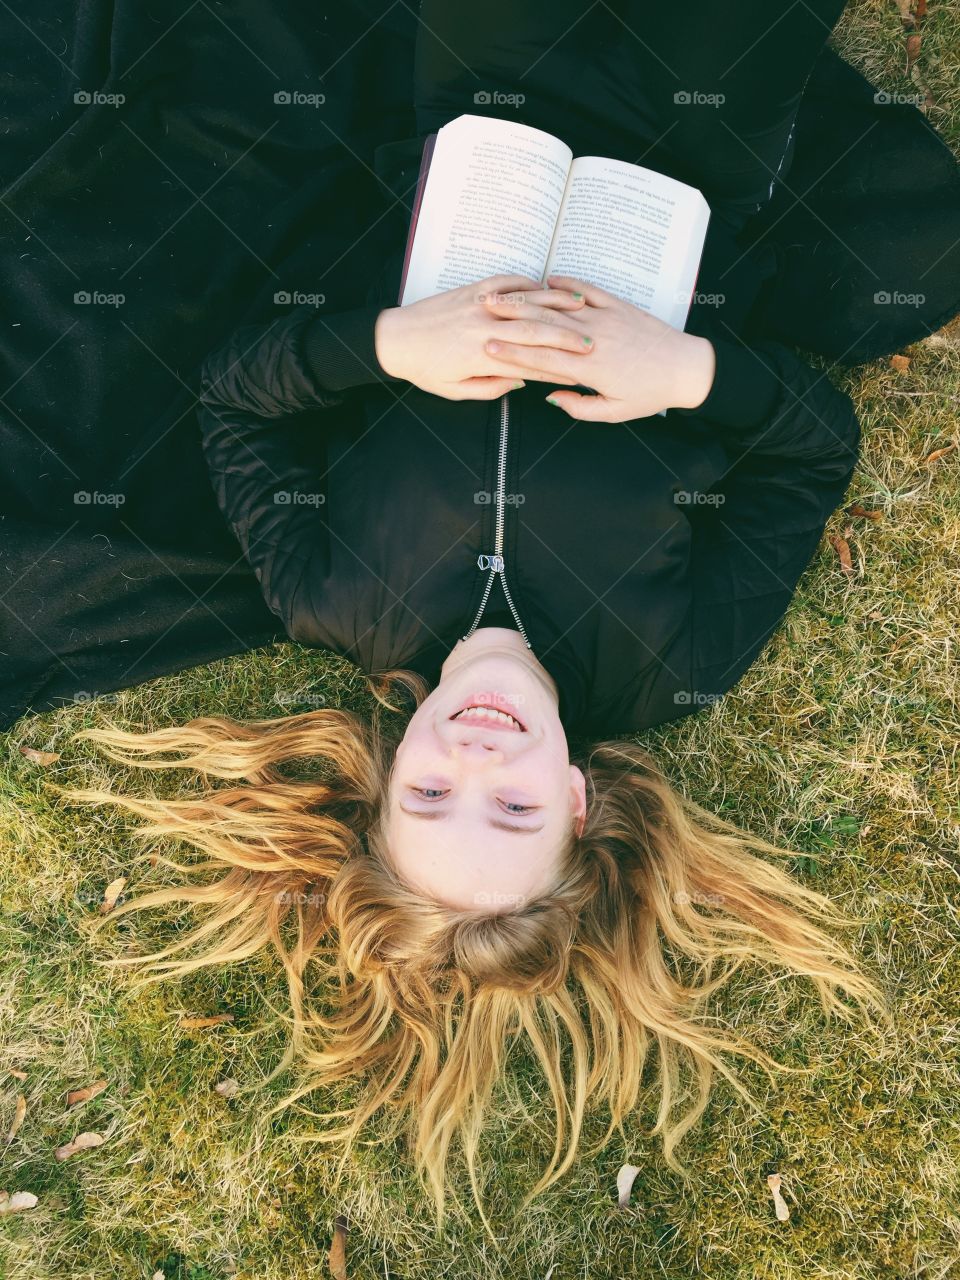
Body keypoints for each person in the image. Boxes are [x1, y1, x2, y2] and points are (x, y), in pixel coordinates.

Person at [64, 0, 960, 1228]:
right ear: (583, 801)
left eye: (430, 795)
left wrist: (391, 346)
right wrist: (683, 371)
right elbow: (812, 453)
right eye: (519, 807)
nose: (478, 759)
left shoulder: (332, 597)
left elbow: (235, 405)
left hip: (490, 137)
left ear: (383, 775)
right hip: (684, 186)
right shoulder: (677, 662)